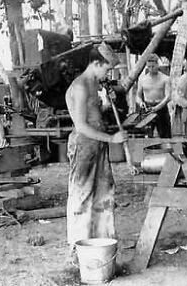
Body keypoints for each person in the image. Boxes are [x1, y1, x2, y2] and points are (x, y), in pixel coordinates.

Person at [65, 43, 127, 251]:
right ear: (95, 63)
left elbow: (94, 114)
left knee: (103, 192)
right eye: (107, 69)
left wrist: (107, 104)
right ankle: (78, 247)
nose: (108, 74)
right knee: (82, 195)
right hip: (84, 146)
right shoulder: (81, 86)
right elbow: (82, 126)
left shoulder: (95, 85)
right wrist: (112, 139)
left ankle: (102, 242)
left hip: (97, 145)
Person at [135, 54, 172, 138]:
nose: (151, 69)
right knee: (146, 136)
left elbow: (168, 96)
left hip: (161, 107)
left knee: (165, 136)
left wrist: (158, 107)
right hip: (147, 107)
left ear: (157, 65)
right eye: (149, 66)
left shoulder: (165, 78)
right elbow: (138, 96)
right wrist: (141, 103)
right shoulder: (142, 79)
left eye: (153, 66)